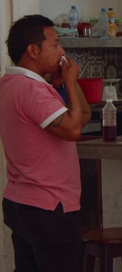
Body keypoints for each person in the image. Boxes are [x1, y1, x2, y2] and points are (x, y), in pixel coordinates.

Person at [0, 14, 91, 271]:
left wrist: (67, 86)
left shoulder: (9, 84)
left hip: (23, 203)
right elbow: (73, 130)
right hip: (48, 206)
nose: (61, 51)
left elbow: (82, 115)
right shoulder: (31, 89)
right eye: (54, 44)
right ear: (33, 50)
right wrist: (71, 82)